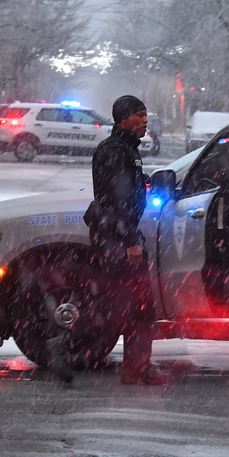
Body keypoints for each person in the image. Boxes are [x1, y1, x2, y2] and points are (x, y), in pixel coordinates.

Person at [82, 94, 172, 386]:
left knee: (121, 305)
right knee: (139, 307)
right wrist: (130, 240)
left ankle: (125, 364)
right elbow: (117, 202)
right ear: (123, 119)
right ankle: (136, 368)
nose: (145, 121)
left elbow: (124, 195)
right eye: (140, 115)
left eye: (145, 115)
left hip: (115, 236)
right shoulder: (116, 151)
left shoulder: (124, 150)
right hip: (119, 240)